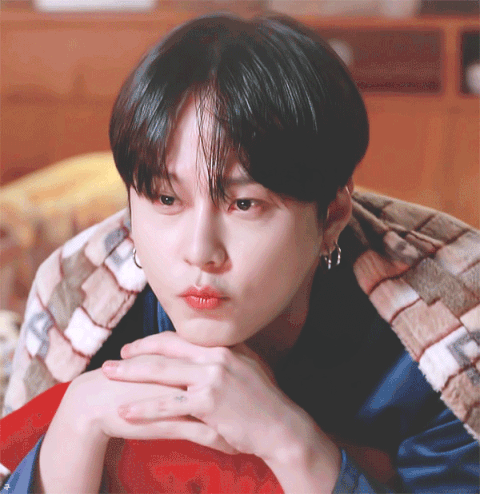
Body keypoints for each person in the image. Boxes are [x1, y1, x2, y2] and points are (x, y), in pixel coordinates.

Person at [1, 13, 479, 494]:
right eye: (166, 199)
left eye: (244, 204)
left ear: (332, 215)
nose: (199, 252)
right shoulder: (76, 301)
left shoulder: (448, 331)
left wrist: (291, 443)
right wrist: (75, 424)